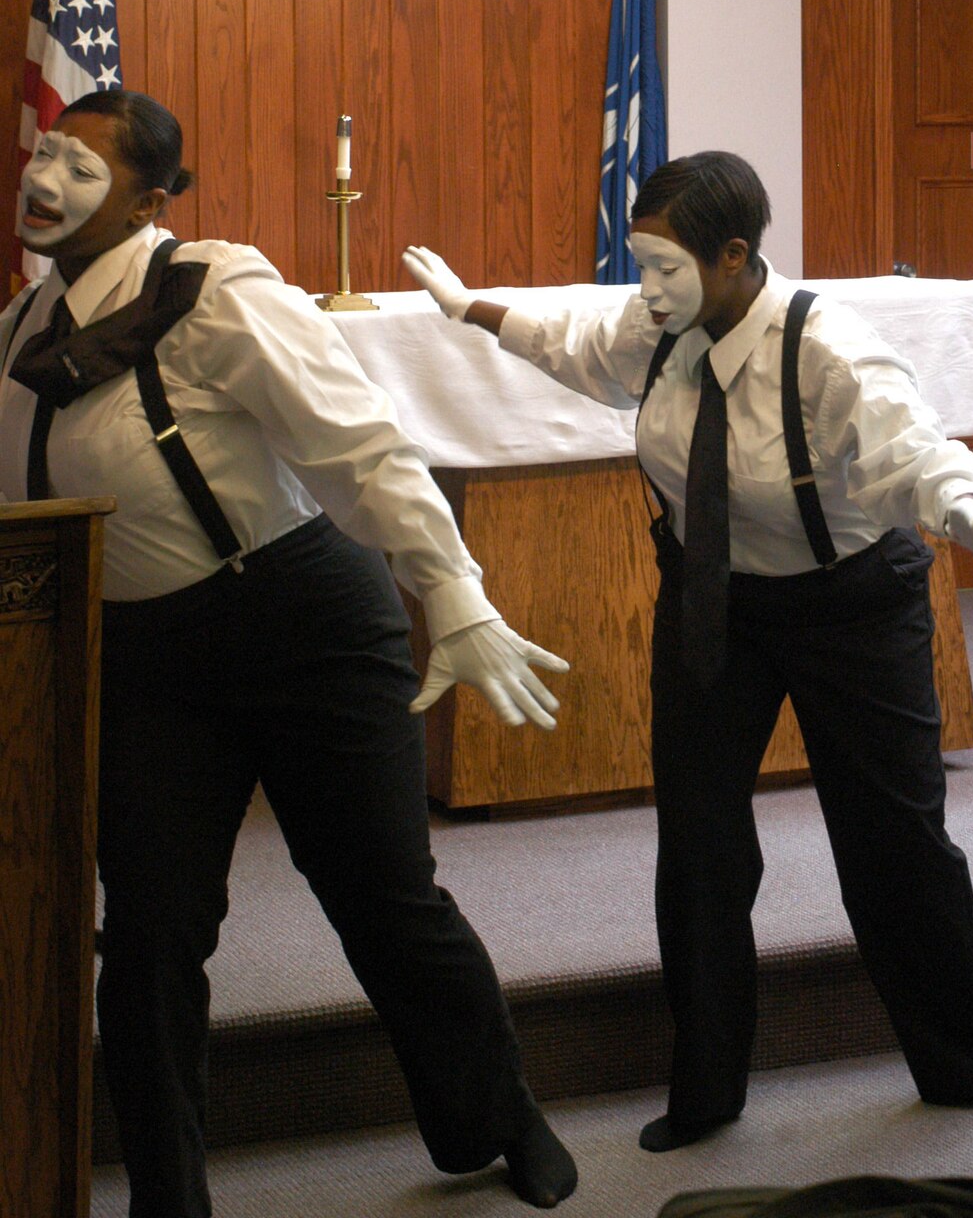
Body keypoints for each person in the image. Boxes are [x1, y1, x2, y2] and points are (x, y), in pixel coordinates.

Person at [0, 89, 577, 1218]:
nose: (46, 176)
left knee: (383, 900)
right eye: (46, 152)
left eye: (82, 164)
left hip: (304, 625)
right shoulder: (22, 333)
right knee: (153, 936)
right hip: (147, 660)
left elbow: (362, 450)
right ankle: (171, 1197)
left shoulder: (216, 289)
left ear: (150, 199)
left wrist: (451, 593)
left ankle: (496, 1113)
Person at [405, 149, 973, 1152]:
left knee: (894, 844)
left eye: (664, 266)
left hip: (853, 610)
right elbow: (579, 346)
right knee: (700, 847)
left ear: (737, 255)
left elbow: (908, 441)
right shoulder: (658, 324)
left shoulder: (828, 349)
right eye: (640, 262)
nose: (644, 289)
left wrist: (961, 504)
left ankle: (966, 1065)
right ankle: (706, 1085)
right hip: (714, 602)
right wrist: (472, 310)